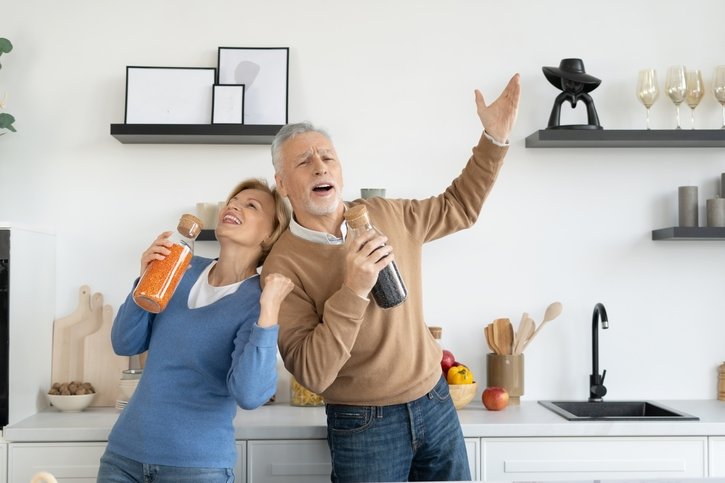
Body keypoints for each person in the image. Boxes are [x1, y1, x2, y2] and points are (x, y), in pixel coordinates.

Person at [261, 74, 520, 482]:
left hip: (435, 401)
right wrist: (354, 289)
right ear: (282, 184)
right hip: (363, 425)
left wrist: (494, 139)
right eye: (304, 161)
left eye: (327, 157)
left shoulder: (384, 213)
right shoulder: (282, 265)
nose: (320, 166)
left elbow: (459, 206)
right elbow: (312, 371)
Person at [97, 178, 293, 483]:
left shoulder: (259, 299)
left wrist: (269, 313)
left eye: (251, 205)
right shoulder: (181, 266)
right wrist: (144, 280)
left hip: (197, 467)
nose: (235, 205)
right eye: (233, 200)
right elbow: (125, 343)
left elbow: (250, 394)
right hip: (123, 458)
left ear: (269, 235)